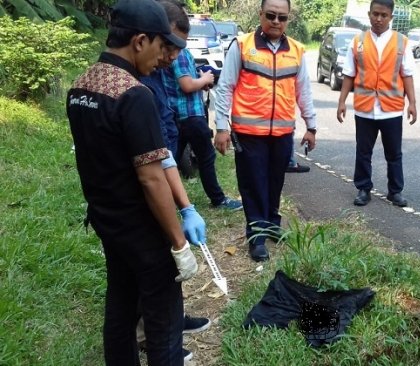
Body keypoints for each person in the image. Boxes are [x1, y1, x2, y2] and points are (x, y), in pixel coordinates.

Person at [66, 0, 198, 364]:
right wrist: (178, 244)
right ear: (140, 41)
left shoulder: (81, 87)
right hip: (142, 229)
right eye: (160, 46)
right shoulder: (134, 94)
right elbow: (151, 176)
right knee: (164, 321)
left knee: (121, 307)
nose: (162, 58)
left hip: (107, 222)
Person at [214, 0, 317, 262]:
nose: (276, 21)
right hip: (248, 135)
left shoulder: (296, 50)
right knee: (253, 185)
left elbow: (303, 91)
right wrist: (222, 127)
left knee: (275, 183)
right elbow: (225, 87)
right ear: (260, 15)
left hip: (282, 134)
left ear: (288, 19)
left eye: (282, 17)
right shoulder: (242, 46)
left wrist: (311, 125)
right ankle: (256, 236)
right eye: (270, 15)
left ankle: (272, 225)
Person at [138, 1, 212, 361]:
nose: (171, 57)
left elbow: (163, 154)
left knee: (162, 275)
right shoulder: (135, 87)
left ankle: (169, 324)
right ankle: (160, 344)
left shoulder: (149, 76)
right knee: (158, 270)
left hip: (163, 167)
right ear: (147, 38)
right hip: (147, 195)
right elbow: (152, 167)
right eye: (168, 47)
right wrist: (180, 232)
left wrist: (187, 206)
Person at [336, 0, 417, 208]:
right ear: (369, 14)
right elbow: (348, 74)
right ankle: (363, 189)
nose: (378, 19)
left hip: (391, 108)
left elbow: (407, 75)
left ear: (391, 17)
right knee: (363, 151)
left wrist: (413, 103)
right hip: (365, 107)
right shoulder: (358, 41)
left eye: (383, 15)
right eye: (375, 14)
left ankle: (395, 191)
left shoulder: (402, 42)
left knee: (394, 153)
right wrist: (342, 101)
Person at [161, 12, 243, 211]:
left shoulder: (169, 51)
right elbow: (187, 85)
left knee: (171, 159)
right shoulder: (178, 53)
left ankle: (167, 201)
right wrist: (205, 80)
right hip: (189, 115)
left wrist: (201, 81)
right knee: (206, 157)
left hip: (176, 115)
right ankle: (218, 199)